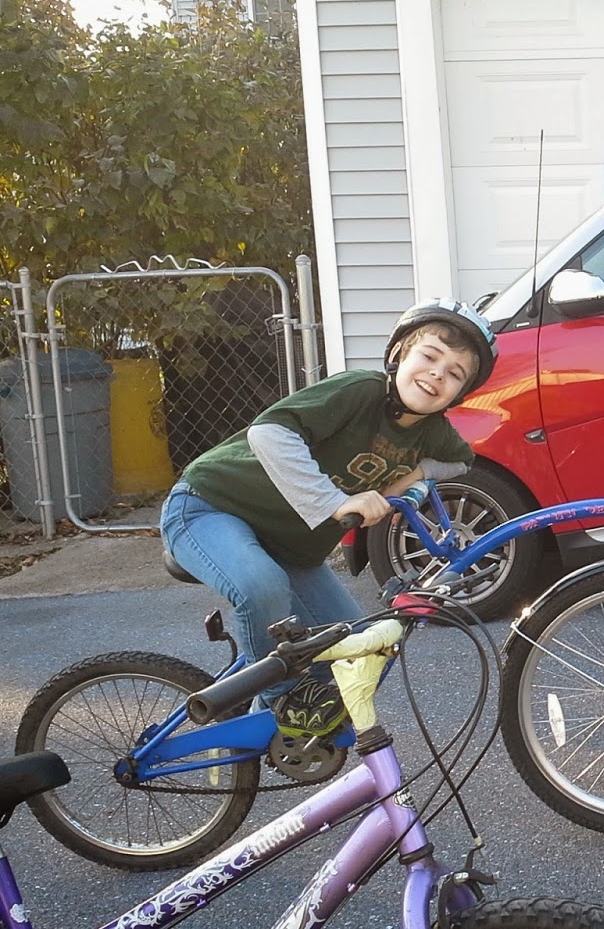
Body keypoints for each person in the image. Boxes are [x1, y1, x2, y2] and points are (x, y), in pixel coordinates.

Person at [159, 298, 497, 734]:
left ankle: (283, 730)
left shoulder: (434, 432)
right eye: (430, 357)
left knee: (358, 646)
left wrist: (410, 481)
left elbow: (460, 461)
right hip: (209, 505)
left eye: (455, 374)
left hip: (291, 548)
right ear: (399, 356)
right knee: (262, 587)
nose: (437, 374)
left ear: (461, 393)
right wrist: (334, 502)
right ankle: (282, 701)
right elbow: (269, 432)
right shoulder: (361, 391)